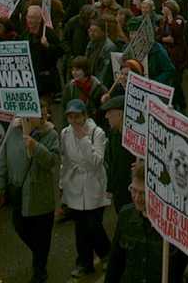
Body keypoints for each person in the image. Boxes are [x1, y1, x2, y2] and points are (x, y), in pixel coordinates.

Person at [0, 98, 60, 283]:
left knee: (43, 235)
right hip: (19, 192)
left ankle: (39, 271)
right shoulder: (11, 132)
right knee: (20, 227)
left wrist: (35, 147)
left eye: (45, 113)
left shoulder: (51, 134)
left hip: (41, 196)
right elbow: (2, 160)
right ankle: (39, 254)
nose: (44, 117)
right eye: (40, 114)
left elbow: (53, 162)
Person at [106, 161, 187, 283]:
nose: (137, 198)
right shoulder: (125, 215)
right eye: (133, 190)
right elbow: (115, 263)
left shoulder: (178, 224)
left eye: (143, 193)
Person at [59, 99, 111, 278]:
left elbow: (96, 162)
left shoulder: (97, 133)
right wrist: (61, 184)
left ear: (85, 116)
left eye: (77, 117)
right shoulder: (65, 133)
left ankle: (106, 253)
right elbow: (65, 161)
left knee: (93, 225)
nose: (74, 121)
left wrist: (83, 140)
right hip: (74, 185)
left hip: (94, 185)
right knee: (80, 228)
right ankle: (84, 263)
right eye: (70, 117)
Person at [101, 96, 135, 214]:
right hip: (118, 192)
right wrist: (110, 187)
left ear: (120, 114)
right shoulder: (113, 134)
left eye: (110, 113)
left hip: (131, 193)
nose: (106, 116)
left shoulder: (134, 138)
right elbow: (111, 162)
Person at [61, 56, 106, 127]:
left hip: (93, 125)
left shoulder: (98, 87)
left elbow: (103, 111)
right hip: (75, 125)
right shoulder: (70, 87)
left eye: (77, 70)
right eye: (73, 70)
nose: (74, 73)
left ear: (85, 70)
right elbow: (64, 109)